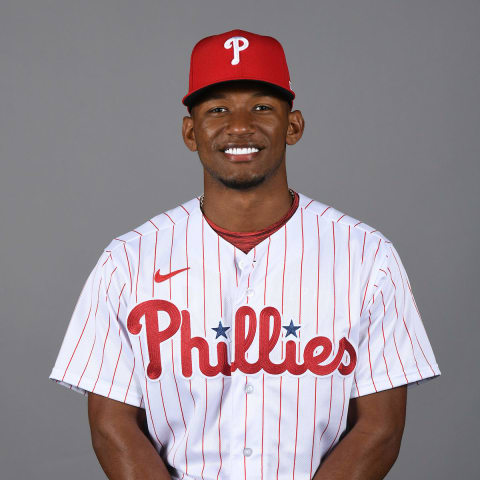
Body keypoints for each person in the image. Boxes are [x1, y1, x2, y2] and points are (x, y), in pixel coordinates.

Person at [49, 29, 441, 480]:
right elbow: (111, 425)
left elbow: (381, 428)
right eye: (218, 109)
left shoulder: (368, 257)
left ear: (292, 126)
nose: (240, 125)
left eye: (262, 107)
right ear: (189, 131)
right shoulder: (127, 261)